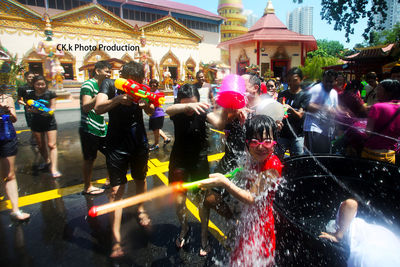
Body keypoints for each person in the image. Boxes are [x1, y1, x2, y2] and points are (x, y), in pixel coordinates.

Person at [198, 115, 283, 266]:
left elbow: (251, 198)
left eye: (267, 141)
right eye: (255, 141)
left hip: (260, 224)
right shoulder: (253, 158)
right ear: (247, 144)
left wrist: (225, 183)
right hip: (247, 217)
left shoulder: (272, 166)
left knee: (251, 259)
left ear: (274, 143)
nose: (261, 147)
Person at [94, 61, 154, 258]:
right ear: (123, 78)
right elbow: (98, 108)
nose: (135, 85)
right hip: (116, 144)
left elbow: (152, 111)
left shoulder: (142, 88)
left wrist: (147, 106)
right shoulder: (110, 85)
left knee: (140, 179)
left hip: (138, 142)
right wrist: (118, 100)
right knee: (115, 190)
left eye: (138, 81)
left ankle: (140, 209)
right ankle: (116, 240)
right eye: (131, 82)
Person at [199, 74, 262, 256]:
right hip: (229, 160)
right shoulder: (232, 106)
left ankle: (243, 230)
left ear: (254, 88)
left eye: (244, 84)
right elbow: (219, 123)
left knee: (247, 203)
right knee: (209, 198)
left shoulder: (262, 108)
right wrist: (232, 111)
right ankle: (232, 222)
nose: (239, 88)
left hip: (249, 163)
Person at [165, 83, 226, 254]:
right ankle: (184, 227)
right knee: (179, 201)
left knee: (202, 201)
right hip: (179, 162)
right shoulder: (178, 112)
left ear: (199, 101)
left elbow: (219, 123)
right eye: (186, 104)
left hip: (199, 161)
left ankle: (204, 236)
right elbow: (168, 110)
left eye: (194, 103)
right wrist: (187, 106)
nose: (191, 109)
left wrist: (227, 109)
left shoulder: (202, 112)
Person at [320, 199, 400, 267]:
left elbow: (351, 204)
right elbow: (351, 204)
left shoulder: (346, 226)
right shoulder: (358, 227)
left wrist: (338, 235)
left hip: (370, 255)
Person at [79, 60, 111, 195]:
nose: (109, 74)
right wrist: (99, 96)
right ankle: (87, 186)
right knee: (90, 158)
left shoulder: (103, 85)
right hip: (89, 127)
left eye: (110, 72)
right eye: (107, 71)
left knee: (111, 152)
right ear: (97, 71)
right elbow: (86, 106)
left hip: (101, 126)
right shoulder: (88, 85)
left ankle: (110, 180)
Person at [0, 88, 30, 221]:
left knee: (9, 175)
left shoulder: (6, 97)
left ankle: (15, 210)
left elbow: (13, 118)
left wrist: (6, 111)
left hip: (7, 138)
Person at [25, 76, 61, 178]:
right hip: (36, 122)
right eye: (38, 84)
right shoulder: (30, 95)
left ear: (46, 84)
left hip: (50, 122)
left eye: (43, 84)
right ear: (34, 85)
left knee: (51, 145)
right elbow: (28, 108)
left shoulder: (50, 93)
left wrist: (48, 111)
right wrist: (33, 110)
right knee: (41, 146)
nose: (40, 86)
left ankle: (53, 168)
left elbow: (53, 107)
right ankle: (47, 161)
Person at [361, 79, 400, 164]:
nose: (376, 92)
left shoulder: (377, 107)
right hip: (390, 155)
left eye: (379, 89)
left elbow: (368, 132)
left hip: (372, 154)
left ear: (388, 92)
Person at [277, 67, 311, 157]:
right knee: (278, 158)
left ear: (301, 79)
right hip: (282, 134)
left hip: (297, 136)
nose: (291, 83)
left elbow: (300, 115)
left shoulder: (305, 95)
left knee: (297, 161)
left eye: (295, 80)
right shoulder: (282, 94)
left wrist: (290, 109)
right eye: (289, 80)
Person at [303, 70, 339, 154]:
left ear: (335, 81)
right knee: (315, 158)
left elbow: (336, 109)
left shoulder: (334, 93)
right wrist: (324, 108)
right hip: (314, 129)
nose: (328, 84)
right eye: (326, 81)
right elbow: (307, 105)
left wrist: (342, 112)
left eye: (331, 81)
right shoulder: (317, 89)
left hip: (327, 131)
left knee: (324, 157)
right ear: (323, 79)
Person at [148, 79, 171, 151]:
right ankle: (166, 138)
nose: (152, 87)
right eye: (151, 85)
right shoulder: (150, 92)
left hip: (158, 115)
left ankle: (156, 144)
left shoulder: (157, 94)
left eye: (154, 85)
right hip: (153, 115)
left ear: (157, 86)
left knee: (156, 130)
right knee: (156, 129)